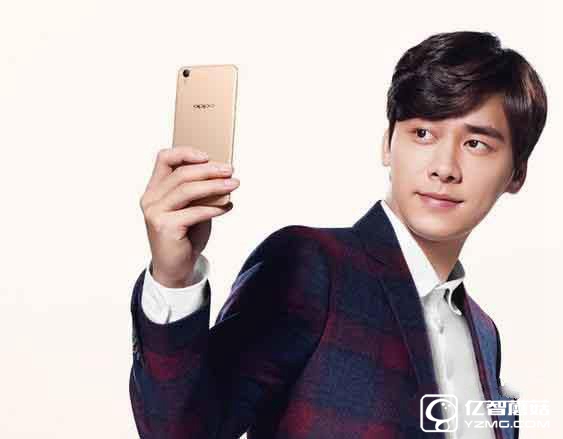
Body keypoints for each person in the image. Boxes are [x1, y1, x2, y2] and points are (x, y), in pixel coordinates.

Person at [129, 31, 547, 439]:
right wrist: (173, 278)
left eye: (476, 144)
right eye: (423, 133)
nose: (444, 168)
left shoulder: (484, 334)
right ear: (387, 145)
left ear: (517, 173)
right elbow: (182, 430)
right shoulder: (311, 267)